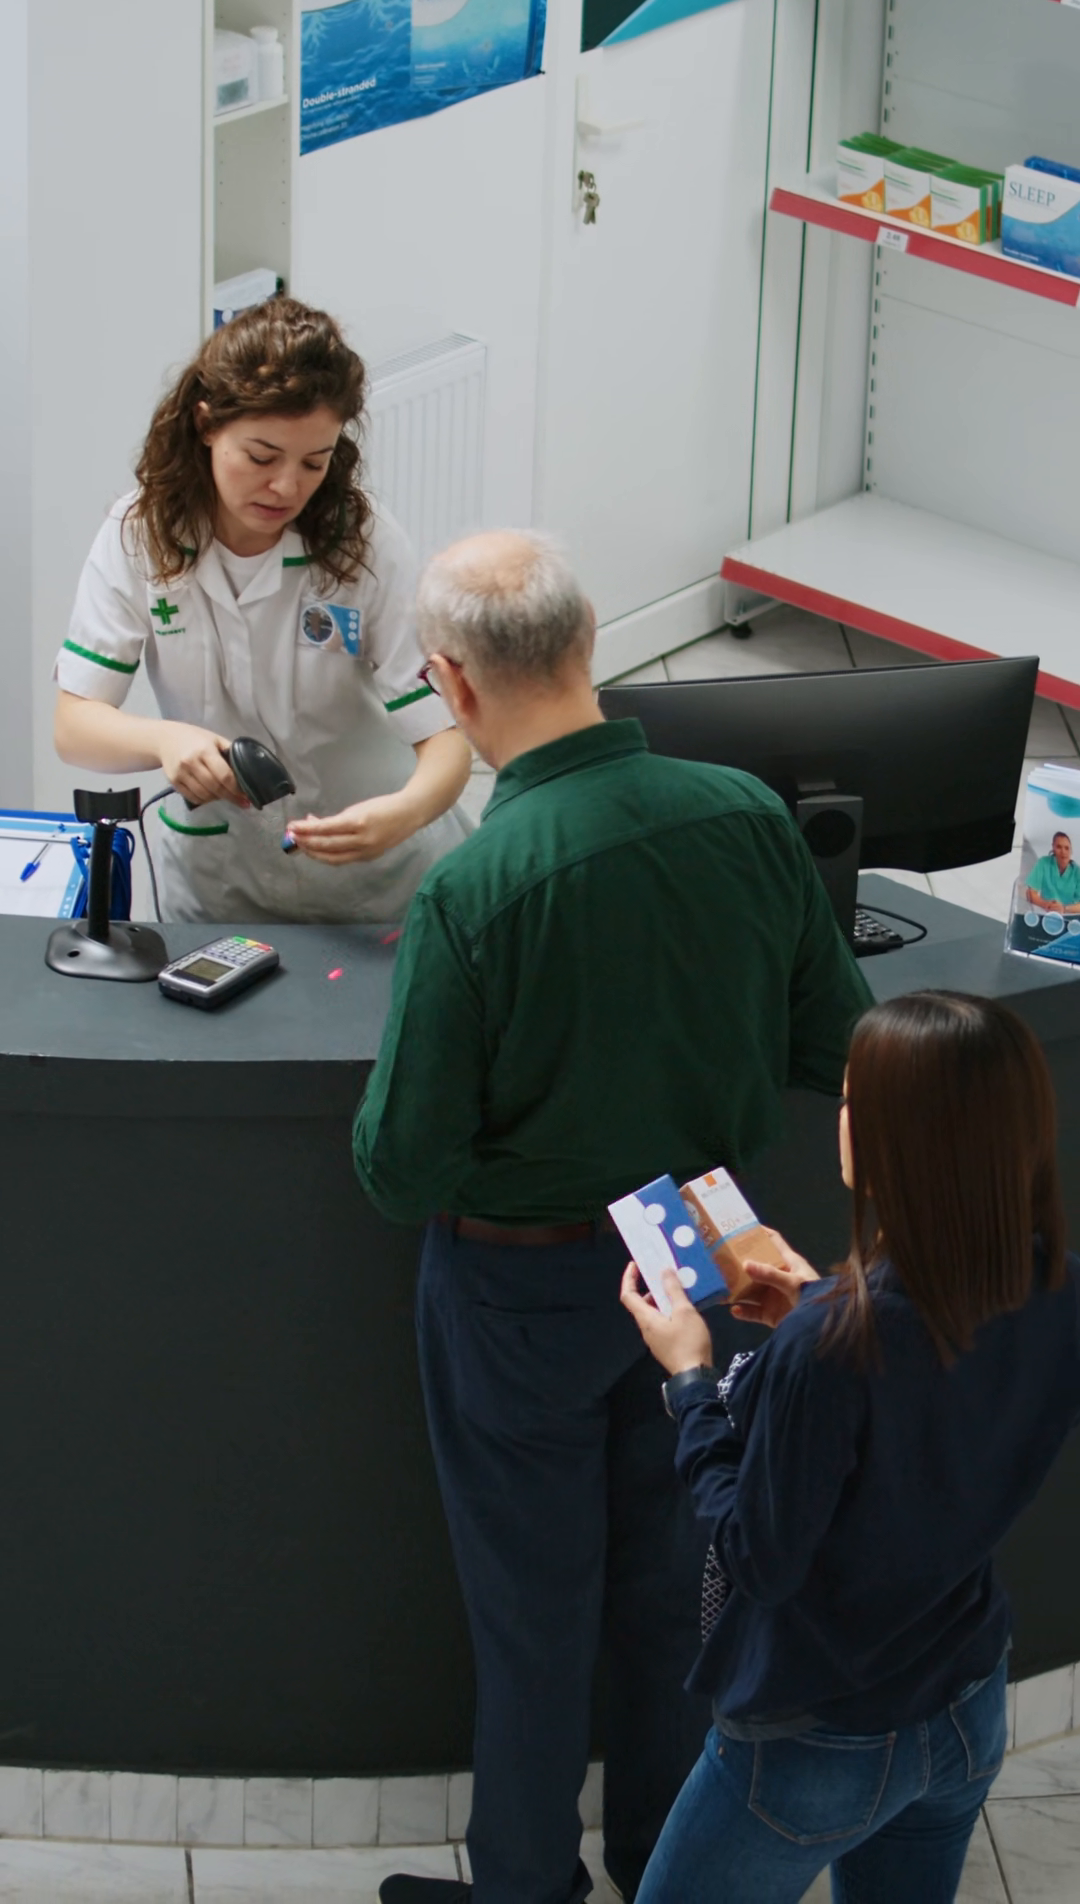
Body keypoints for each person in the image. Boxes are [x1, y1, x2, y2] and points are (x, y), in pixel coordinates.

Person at [352, 530, 872, 1904]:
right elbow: (842, 1038)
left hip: (518, 1299)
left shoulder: (471, 892)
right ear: (590, 646)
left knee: (532, 1620)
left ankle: (526, 1886)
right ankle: (666, 1872)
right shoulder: (747, 817)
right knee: (678, 1596)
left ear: (451, 685)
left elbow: (402, 1170)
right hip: (702, 1268)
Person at [621, 990, 1079, 1904]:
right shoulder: (1057, 1288)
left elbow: (758, 1557)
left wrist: (692, 1380)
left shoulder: (829, 1347)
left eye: (848, 1099)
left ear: (883, 1140)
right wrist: (821, 1310)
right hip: (967, 1703)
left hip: (817, 1746)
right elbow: (938, 1416)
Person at [53, 297, 472, 922]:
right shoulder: (140, 534)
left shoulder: (363, 541)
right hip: (222, 883)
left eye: (314, 462)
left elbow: (448, 740)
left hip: (378, 879)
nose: (286, 487)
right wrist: (165, 738)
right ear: (206, 424)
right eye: (261, 457)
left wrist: (403, 814)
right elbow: (75, 726)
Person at [1025, 830, 1080, 915]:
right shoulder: (1043, 863)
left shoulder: (1077, 872)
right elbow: (1030, 893)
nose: (1063, 852)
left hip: (1069, 917)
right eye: (1059, 847)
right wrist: (1046, 905)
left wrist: (1064, 908)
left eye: (1067, 848)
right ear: (1053, 848)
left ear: (1071, 851)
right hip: (1046, 913)